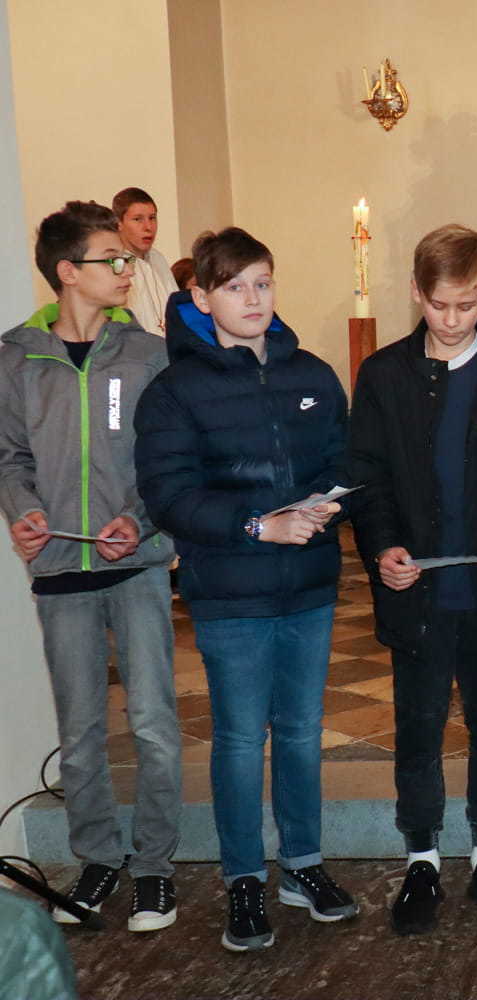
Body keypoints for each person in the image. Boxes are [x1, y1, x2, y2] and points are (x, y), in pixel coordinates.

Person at [135, 227, 358, 951]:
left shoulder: (312, 374)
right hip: (230, 589)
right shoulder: (175, 390)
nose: (253, 298)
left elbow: (343, 459)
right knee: (238, 738)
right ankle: (242, 880)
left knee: (300, 731)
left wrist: (327, 504)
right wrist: (260, 526)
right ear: (201, 297)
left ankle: (303, 864)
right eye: (234, 287)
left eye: (262, 283)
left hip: (308, 583)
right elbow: (169, 496)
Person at [345, 224, 477, 935]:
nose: (452, 320)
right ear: (416, 293)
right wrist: (384, 549)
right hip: (419, 592)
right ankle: (422, 859)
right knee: (419, 724)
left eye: (467, 305)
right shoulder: (384, 377)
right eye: (439, 305)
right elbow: (368, 479)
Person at [0, 201, 180, 931]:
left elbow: (168, 461)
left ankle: (156, 868)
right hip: (60, 572)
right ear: (68, 272)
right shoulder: (16, 358)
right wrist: (23, 511)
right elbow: (10, 457)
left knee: (154, 724)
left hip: (136, 567)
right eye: (113, 258)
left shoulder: (147, 354)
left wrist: (137, 521)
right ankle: (98, 858)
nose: (127, 267)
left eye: (127, 258)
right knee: (79, 732)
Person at [111, 188, 176, 336]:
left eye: (152, 218)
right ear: (119, 223)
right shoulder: (115, 264)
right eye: (138, 219)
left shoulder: (158, 258)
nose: (148, 227)